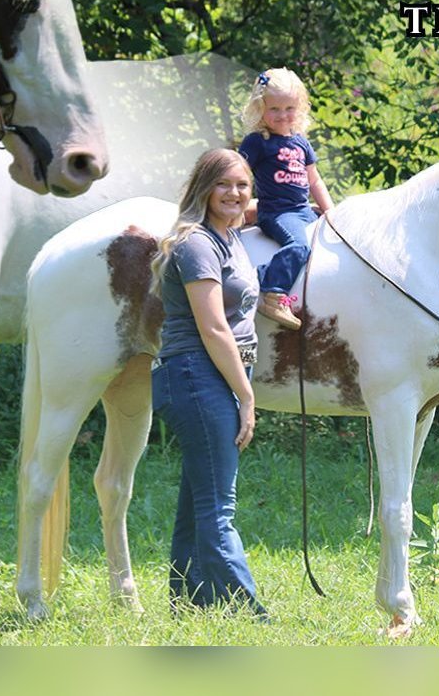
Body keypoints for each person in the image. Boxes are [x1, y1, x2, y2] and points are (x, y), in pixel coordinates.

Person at [149, 147, 267, 618]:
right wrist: (246, 394)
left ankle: (188, 601)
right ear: (204, 188)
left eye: (242, 185)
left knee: (197, 497)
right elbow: (214, 327)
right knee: (219, 506)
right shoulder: (197, 243)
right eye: (224, 185)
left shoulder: (229, 238)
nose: (235, 194)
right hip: (197, 374)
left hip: (209, 374)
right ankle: (250, 612)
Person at [238, 67, 334, 330]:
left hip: (303, 210)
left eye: (289, 108)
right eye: (275, 109)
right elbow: (238, 175)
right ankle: (271, 289)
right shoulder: (257, 142)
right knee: (299, 246)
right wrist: (239, 207)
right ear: (261, 109)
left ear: (300, 108)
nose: (282, 116)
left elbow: (314, 181)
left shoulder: (301, 142)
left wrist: (330, 212)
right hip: (277, 212)